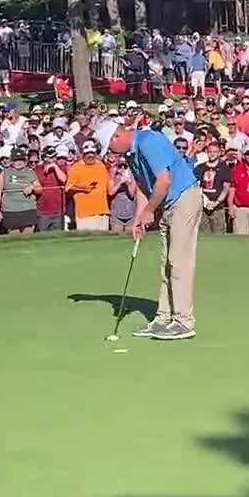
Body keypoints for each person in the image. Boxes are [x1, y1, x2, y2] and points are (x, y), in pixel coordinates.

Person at [97, 118, 200, 341]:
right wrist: (139, 217)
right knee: (165, 262)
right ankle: (163, 318)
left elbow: (164, 180)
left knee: (178, 260)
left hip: (184, 197)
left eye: (110, 147)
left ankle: (183, 321)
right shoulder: (132, 154)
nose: (111, 153)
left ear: (116, 136)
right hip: (167, 203)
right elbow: (146, 187)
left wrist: (150, 211)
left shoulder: (147, 141)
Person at [66, 140, 109, 231]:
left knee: (104, 242)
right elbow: (68, 188)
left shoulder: (101, 165)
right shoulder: (76, 167)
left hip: (102, 211)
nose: (90, 155)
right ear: (83, 154)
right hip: (85, 214)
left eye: (92, 153)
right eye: (87, 153)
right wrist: (83, 188)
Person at [0, 147, 41, 234]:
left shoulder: (30, 172)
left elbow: (39, 189)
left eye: (21, 160)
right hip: (10, 209)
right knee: (14, 237)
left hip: (28, 208)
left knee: (28, 237)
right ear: (11, 161)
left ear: (25, 161)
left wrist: (32, 186)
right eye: (16, 160)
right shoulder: (4, 173)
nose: (19, 162)